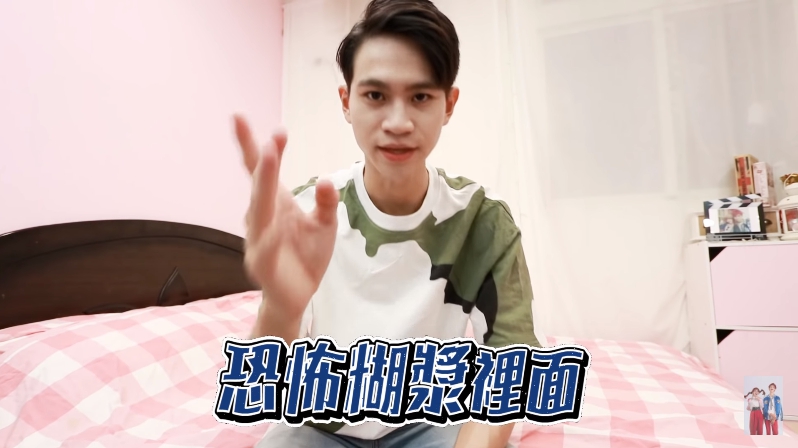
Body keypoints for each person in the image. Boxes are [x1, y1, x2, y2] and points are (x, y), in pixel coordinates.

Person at [234, 1, 540, 447]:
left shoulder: (483, 222)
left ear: (449, 104)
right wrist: (281, 308)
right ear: (347, 102)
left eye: (420, 97)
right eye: (376, 96)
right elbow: (264, 381)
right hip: (320, 423)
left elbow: (512, 366)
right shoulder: (307, 215)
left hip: (431, 422)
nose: (398, 123)